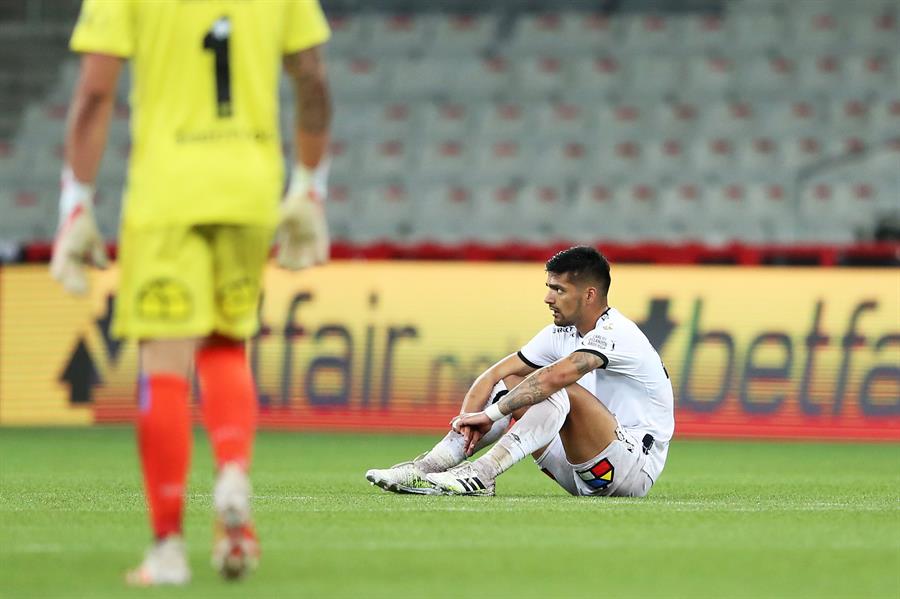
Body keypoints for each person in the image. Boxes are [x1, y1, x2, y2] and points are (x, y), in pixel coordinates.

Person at [51, 0, 332, 586]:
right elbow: (311, 78)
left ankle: (168, 550)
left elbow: (96, 93)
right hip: (250, 187)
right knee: (226, 345)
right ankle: (231, 471)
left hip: (167, 192)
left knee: (164, 365)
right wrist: (309, 185)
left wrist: (75, 201)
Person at [366, 246, 674, 498]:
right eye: (548, 288)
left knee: (554, 385)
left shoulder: (617, 332)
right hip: (577, 465)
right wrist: (465, 428)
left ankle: (482, 474)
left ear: (589, 295)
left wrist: (491, 416)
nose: (548, 298)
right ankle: (428, 467)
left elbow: (556, 379)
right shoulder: (561, 333)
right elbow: (491, 376)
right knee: (513, 381)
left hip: (630, 469)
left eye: (558, 289)